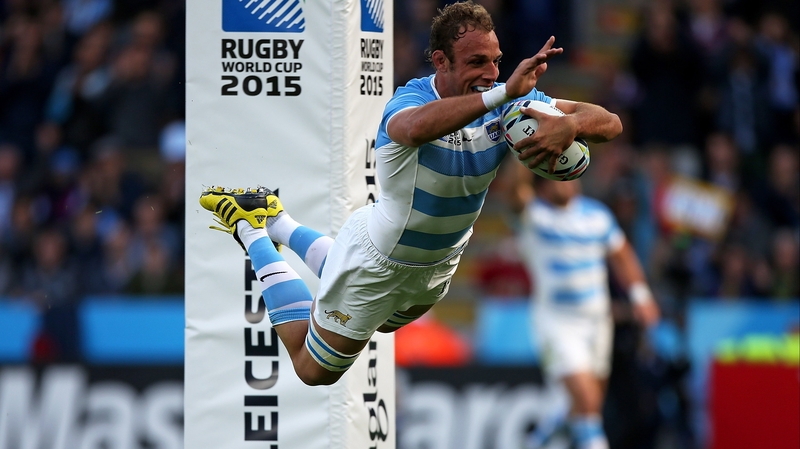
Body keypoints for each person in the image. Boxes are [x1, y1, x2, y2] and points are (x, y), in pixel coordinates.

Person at [199, 0, 623, 386]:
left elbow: (611, 123)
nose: (492, 73)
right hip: (379, 261)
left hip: (439, 266)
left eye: (496, 61)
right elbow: (415, 129)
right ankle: (254, 228)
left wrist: (570, 124)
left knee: (383, 324)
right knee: (314, 370)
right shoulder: (412, 99)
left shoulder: (509, 104)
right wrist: (504, 93)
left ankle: (279, 221)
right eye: (477, 62)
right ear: (440, 61)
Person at [508, 174, 660, 449]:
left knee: (588, 407)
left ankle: (538, 440)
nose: (568, 182)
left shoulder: (597, 216)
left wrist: (641, 295)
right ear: (543, 186)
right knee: (586, 402)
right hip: (557, 322)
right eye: (559, 176)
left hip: (598, 323)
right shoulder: (534, 216)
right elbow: (514, 190)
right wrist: (519, 151)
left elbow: (621, 254)